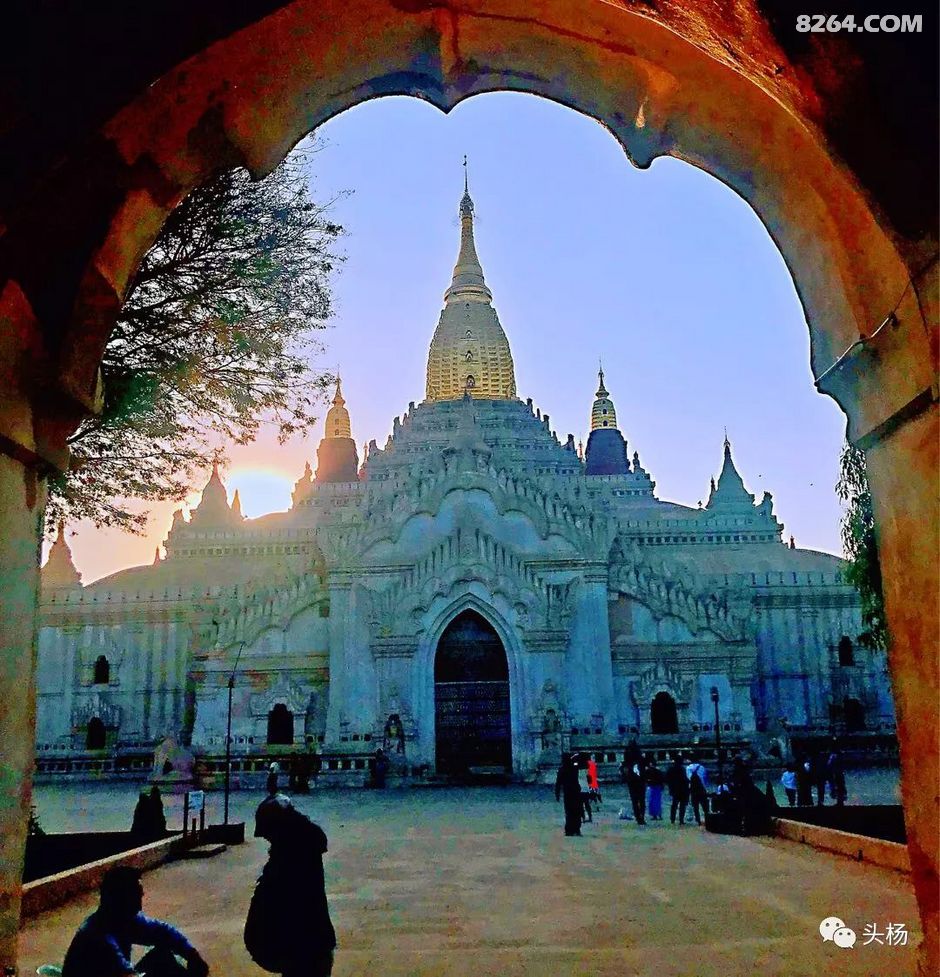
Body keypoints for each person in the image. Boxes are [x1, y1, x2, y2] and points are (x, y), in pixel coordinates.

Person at [246, 793, 337, 976]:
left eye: (269, 833)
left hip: (301, 945)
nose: (268, 839)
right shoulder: (299, 843)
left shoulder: (292, 854)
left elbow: (279, 899)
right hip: (307, 943)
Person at [63, 866, 209, 976]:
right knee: (162, 964)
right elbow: (127, 973)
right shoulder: (99, 937)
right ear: (119, 899)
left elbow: (162, 932)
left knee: (161, 956)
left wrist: (192, 955)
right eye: (135, 897)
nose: (139, 905)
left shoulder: (120, 918)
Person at [554, 752, 582, 837]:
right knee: (576, 811)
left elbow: (558, 783)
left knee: (569, 812)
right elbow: (578, 760)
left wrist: (557, 794)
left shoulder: (562, 769)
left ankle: (569, 830)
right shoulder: (574, 767)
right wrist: (575, 756)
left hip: (568, 793)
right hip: (576, 792)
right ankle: (576, 829)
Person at [665, 755, 689, 825]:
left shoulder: (671, 769)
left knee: (674, 805)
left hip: (674, 789)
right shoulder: (683, 769)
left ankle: (672, 819)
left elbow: (667, 778)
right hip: (683, 789)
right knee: (682, 805)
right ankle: (681, 820)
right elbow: (685, 779)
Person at [625, 756, 646, 825]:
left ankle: (638, 817)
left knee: (635, 803)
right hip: (640, 786)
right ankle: (641, 817)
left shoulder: (629, 767)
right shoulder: (641, 765)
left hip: (634, 786)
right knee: (641, 802)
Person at [687, 760, 709, 825]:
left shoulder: (688, 768)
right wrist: (706, 789)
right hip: (701, 790)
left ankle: (698, 820)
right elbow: (705, 779)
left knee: (695, 807)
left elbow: (688, 780)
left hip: (693, 791)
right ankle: (707, 818)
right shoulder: (702, 767)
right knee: (705, 807)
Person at [645, 756, 664, 821]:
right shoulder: (658, 771)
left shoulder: (648, 771)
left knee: (651, 801)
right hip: (657, 787)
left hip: (651, 786)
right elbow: (662, 779)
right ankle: (659, 815)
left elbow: (645, 779)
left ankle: (654, 815)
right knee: (658, 801)